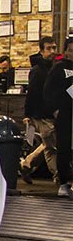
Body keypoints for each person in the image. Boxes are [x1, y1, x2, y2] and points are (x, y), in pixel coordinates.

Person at [20, 36, 59, 184]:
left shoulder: (55, 67)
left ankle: (27, 164)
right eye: (49, 48)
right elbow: (32, 92)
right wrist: (27, 115)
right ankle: (60, 179)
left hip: (51, 113)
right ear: (42, 51)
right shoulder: (37, 70)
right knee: (53, 147)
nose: (52, 51)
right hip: (41, 114)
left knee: (48, 143)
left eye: (54, 48)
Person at [43, 37, 73, 198]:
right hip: (65, 115)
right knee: (64, 149)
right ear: (66, 51)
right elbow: (48, 92)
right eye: (71, 50)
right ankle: (63, 183)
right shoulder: (58, 68)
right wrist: (55, 110)